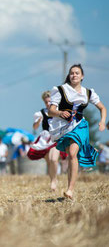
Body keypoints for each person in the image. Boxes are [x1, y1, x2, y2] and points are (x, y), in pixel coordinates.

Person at [48, 64, 107, 199]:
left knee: (73, 153)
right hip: (64, 127)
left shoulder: (88, 92)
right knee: (71, 156)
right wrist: (60, 112)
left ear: (82, 76)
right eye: (72, 73)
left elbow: (102, 108)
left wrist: (102, 121)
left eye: (77, 73)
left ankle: (70, 190)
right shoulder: (60, 90)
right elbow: (51, 111)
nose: (74, 75)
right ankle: (70, 187)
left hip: (80, 125)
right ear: (69, 75)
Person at [27, 91, 61, 191]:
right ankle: (53, 181)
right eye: (46, 102)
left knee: (53, 159)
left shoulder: (59, 111)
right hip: (45, 139)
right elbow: (35, 127)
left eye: (50, 101)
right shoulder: (41, 113)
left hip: (56, 137)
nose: (48, 103)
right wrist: (37, 122)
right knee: (49, 162)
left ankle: (54, 180)